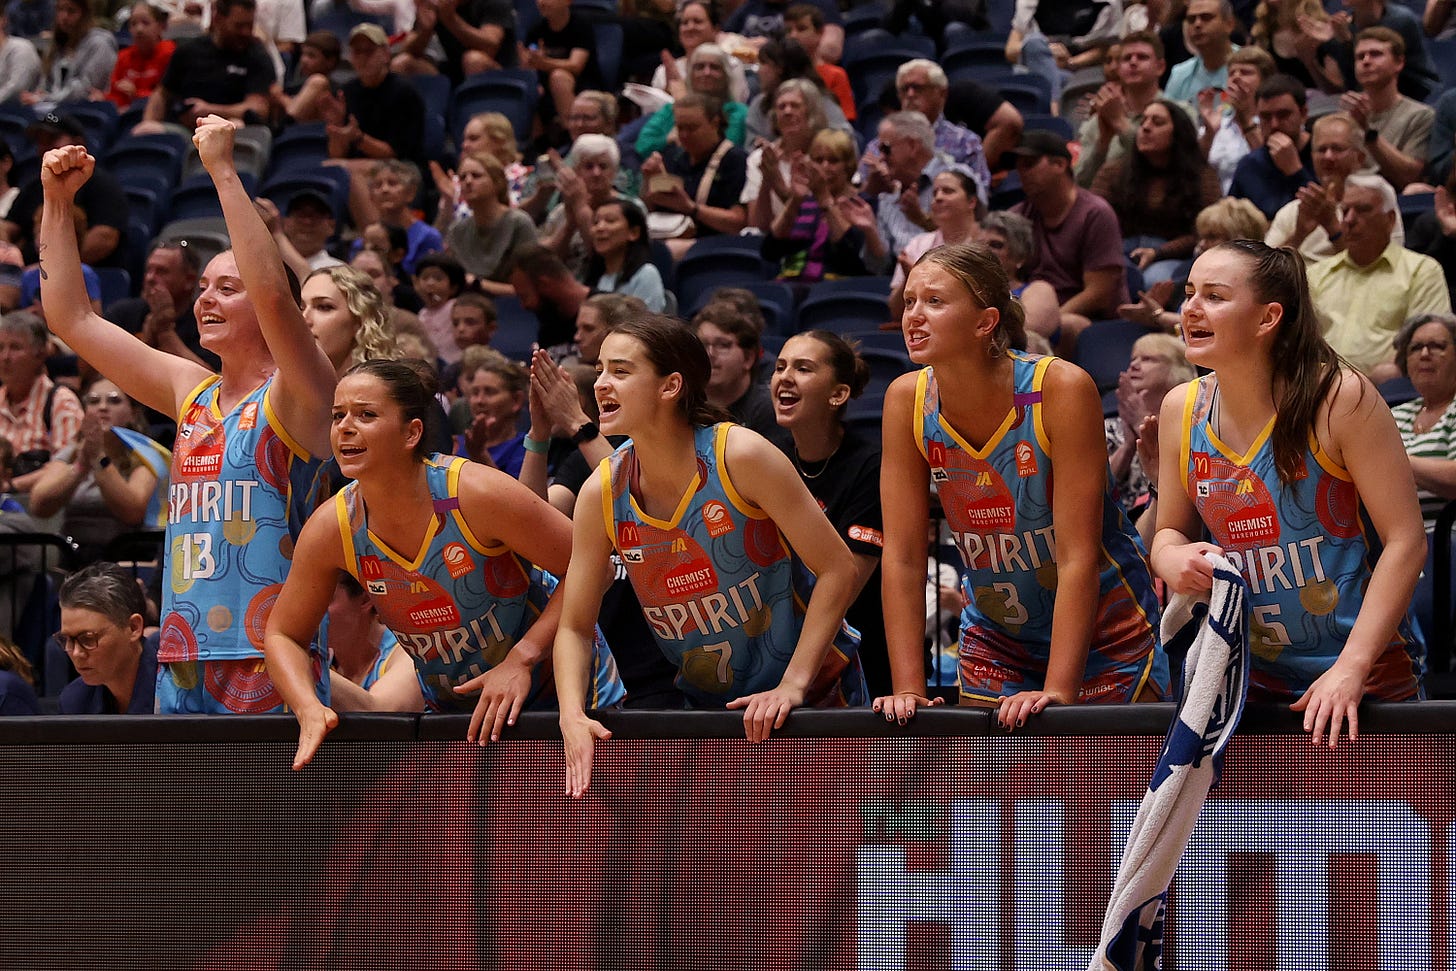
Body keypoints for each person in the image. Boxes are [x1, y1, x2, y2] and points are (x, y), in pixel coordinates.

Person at [39, 117, 338, 714]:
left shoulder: (301, 393)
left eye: (227, 288)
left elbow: (274, 294)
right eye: (202, 287)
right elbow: (71, 319)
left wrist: (223, 172)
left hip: (268, 655)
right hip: (181, 654)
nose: (204, 300)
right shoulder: (191, 392)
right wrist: (56, 204)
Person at [554, 314, 865, 796]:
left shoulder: (740, 455)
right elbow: (575, 625)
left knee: (829, 845)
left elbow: (838, 568)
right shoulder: (602, 492)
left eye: (620, 371)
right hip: (711, 711)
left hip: (816, 696)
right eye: (599, 370)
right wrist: (571, 713)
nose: (601, 384)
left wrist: (793, 685)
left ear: (671, 385)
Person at [265, 359, 622, 768]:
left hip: (564, 697)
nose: (344, 427)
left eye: (366, 415)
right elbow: (283, 634)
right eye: (337, 415)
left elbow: (594, 569)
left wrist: (522, 657)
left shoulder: (475, 492)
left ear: (411, 433)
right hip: (461, 716)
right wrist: (307, 706)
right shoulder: (333, 527)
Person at [874, 243, 1168, 730]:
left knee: (1103, 780)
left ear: (985, 321)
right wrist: (909, 689)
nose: (914, 316)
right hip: (997, 637)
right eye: (909, 302)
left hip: (1104, 632)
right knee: (993, 784)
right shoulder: (906, 399)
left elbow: (1077, 556)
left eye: (934, 301)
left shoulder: (1060, 388)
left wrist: (1057, 692)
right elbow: (903, 557)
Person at [1151, 239, 1426, 746]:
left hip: (1360, 674)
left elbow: (1406, 541)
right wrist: (1170, 557)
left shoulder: (1341, 397)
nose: (1191, 308)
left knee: (1382, 804)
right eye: (1189, 293)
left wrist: (1352, 667)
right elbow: (1169, 529)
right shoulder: (1180, 409)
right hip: (1247, 679)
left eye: (1214, 296)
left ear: (1267, 318)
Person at [771, 330, 889, 695]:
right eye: (780, 367)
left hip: (863, 657)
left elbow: (845, 589)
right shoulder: (768, 457)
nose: (784, 377)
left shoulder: (871, 465)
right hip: (781, 648)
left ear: (838, 395)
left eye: (803, 368)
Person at [1307, 174, 1449, 383]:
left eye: (1362, 210)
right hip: (1318, 389)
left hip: (1388, 391)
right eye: (1344, 211)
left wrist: (1388, 374)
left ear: (1390, 220)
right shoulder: (1316, 274)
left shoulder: (1421, 271)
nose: (1349, 220)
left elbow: (1430, 341)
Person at [28, 376, 167, 562]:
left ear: (133, 413)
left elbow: (132, 512)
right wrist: (81, 467)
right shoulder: (71, 454)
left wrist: (99, 459)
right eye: (93, 401)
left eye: (114, 400)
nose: (102, 407)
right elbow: (39, 505)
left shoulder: (145, 455)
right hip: (73, 559)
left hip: (126, 559)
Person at [1092, 98, 1223, 286]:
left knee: (1152, 281)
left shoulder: (1202, 176)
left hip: (1174, 256)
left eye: (1158, 122)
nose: (1145, 127)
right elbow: (1094, 216)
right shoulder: (1115, 170)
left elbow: (1206, 233)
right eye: (1143, 121)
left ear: (1178, 134)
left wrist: (1159, 252)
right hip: (1121, 248)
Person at [760, 127, 875, 284]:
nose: (825, 167)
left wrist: (824, 199)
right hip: (791, 284)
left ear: (848, 165)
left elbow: (855, 260)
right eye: (818, 160)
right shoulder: (805, 202)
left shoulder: (862, 203)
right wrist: (795, 200)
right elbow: (770, 252)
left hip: (838, 289)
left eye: (833, 161)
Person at [139, 0, 272, 129]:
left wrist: (208, 110)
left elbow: (258, 109)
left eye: (249, 25)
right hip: (184, 130)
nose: (246, 32)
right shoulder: (189, 51)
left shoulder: (256, 55)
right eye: (239, 26)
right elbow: (162, 94)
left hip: (231, 129)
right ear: (218, 18)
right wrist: (149, 122)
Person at [56, 562, 160, 714]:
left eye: (88, 639)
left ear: (133, 627)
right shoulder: (74, 701)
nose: (76, 653)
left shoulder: (179, 692)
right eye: (67, 639)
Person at [1338, 27, 1434, 191]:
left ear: (1399, 63)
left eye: (1376, 54)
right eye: (1360, 57)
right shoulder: (1344, 117)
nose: (1366, 61)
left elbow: (1410, 178)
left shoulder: (1420, 115)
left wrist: (1368, 132)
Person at [0, 311, 83, 500]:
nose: (5, 357)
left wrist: (11, 487)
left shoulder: (61, 401)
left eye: (15, 348)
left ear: (40, 354)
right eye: (0, 348)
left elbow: (68, 466)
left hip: (41, 506)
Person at [1391, 312, 1456, 529]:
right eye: (1416, 348)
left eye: (1437, 346)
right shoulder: (1394, 414)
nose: (1425, 354)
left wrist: (1393, 461)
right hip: (1398, 538)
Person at [889, 169, 982, 320]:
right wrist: (909, 277)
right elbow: (895, 311)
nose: (938, 197)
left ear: (972, 202)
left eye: (948, 191)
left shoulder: (988, 243)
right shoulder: (918, 244)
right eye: (935, 193)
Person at [440, 152, 537, 296]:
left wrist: (477, 283)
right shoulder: (458, 230)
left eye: (476, 176)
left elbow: (531, 288)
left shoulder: (518, 223)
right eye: (462, 177)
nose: (468, 181)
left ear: (498, 182)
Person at [651, 0, 750, 104]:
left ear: (715, 29)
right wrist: (667, 94)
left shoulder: (732, 65)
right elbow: (656, 111)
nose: (690, 27)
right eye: (685, 23)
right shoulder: (663, 72)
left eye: (697, 21)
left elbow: (735, 107)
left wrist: (683, 97)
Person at [22, 0, 116, 104]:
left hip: (84, 108)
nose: (64, 17)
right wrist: (38, 95)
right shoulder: (59, 42)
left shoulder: (100, 44)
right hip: (52, 108)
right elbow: (46, 85)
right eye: (60, 10)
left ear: (85, 14)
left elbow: (84, 90)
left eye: (71, 11)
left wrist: (45, 99)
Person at [581, 199, 666, 313]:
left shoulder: (646, 274)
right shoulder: (593, 275)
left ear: (634, 232)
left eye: (610, 221)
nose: (599, 228)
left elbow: (647, 322)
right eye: (595, 222)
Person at [455, 345, 528, 476]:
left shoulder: (526, 450)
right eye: (475, 392)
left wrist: (480, 455)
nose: (479, 401)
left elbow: (514, 490)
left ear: (516, 400)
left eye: (490, 392)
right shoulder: (455, 444)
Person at [105, 2, 174, 108]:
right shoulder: (123, 56)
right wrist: (103, 98)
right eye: (133, 24)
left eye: (146, 23)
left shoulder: (170, 53)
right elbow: (115, 93)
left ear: (161, 26)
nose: (139, 29)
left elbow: (170, 97)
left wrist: (137, 94)